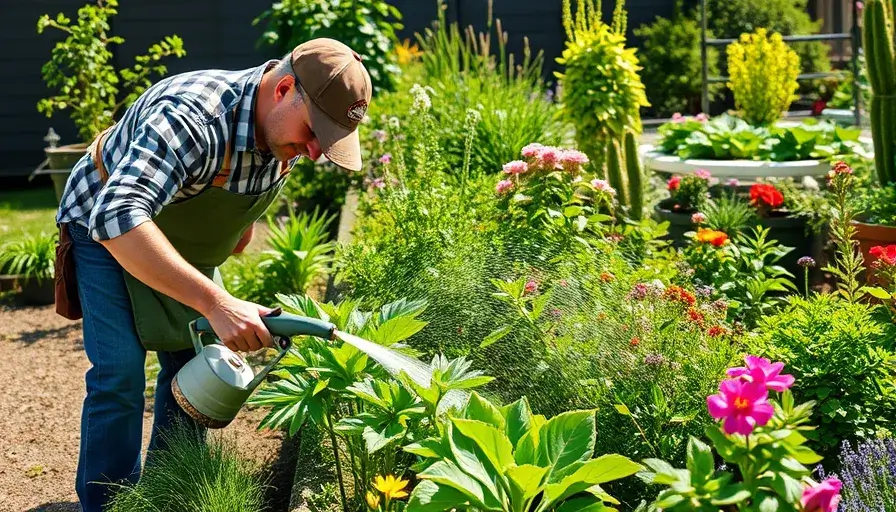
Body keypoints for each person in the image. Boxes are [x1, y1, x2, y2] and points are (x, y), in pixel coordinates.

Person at [53, 38, 372, 511]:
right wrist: (216, 303)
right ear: (284, 88)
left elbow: (237, 204)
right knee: (119, 373)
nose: (314, 150)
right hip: (103, 223)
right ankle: (109, 503)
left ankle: (165, 496)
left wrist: (233, 233)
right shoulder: (193, 119)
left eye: (326, 141)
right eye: (313, 132)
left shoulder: (283, 131)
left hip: (177, 233)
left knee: (198, 368)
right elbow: (117, 214)